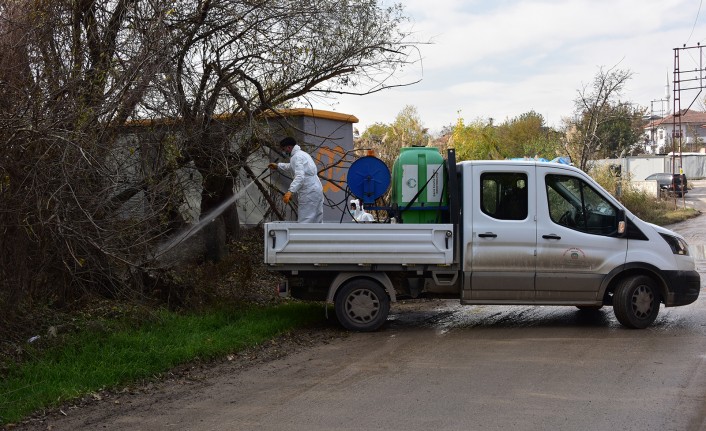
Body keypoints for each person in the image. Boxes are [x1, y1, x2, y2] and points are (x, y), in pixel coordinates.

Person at [269, 137, 324, 223]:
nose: (284, 152)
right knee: (317, 220)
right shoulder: (302, 154)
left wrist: (290, 191)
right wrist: (278, 166)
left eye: (284, 149)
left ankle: (303, 237)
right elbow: (292, 166)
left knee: (305, 220)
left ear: (289, 147)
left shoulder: (297, 157)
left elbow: (300, 176)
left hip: (308, 191)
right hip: (316, 189)